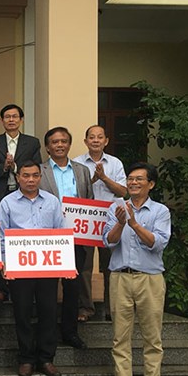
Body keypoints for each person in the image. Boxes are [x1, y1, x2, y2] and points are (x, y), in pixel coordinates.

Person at [103, 162, 170, 376]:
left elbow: (158, 243)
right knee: (120, 335)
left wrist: (134, 224)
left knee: (152, 336)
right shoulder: (116, 208)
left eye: (139, 179)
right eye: (130, 179)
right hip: (120, 276)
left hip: (149, 279)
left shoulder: (160, 211)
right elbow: (108, 242)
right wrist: (121, 223)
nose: (132, 183)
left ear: (150, 184)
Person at [0, 161, 65, 376]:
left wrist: (62, 263)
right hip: (19, 269)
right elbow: (0, 235)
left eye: (35, 175)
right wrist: (5, 264)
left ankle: (46, 358)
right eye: (26, 176)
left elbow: (61, 233)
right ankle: (26, 358)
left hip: (47, 268)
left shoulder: (52, 202)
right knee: (22, 313)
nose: (31, 180)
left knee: (48, 312)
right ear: (18, 178)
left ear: (40, 177)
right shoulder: (7, 203)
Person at [39, 126, 92, 350]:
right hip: (49, 238)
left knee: (72, 287)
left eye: (63, 141)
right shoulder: (37, 171)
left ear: (69, 144)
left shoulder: (82, 171)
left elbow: (89, 200)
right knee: (48, 288)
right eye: (54, 142)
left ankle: (70, 332)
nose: (59, 145)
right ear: (47, 147)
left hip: (75, 237)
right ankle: (47, 333)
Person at [0, 104, 41, 303]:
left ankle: (24, 277)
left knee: (24, 234)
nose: (11, 120)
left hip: (24, 195)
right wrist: (4, 167)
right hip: (0, 193)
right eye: (7, 116)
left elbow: (36, 167)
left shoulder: (32, 142)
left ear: (21, 120)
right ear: (2, 121)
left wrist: (15, 167)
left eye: (15, 116)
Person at [74, 125, 127, 321]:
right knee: (85, 266)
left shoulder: (115, 163)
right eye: (91, 137)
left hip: (111, 220)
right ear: (85, 141)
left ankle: (110, 308)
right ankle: (86, 308)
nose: (95, 140)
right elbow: (75, 192)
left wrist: (103, 178)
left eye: (100, 137)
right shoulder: (77, 163)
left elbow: (123, 192)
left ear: (106, 141)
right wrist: (91, 179)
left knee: (111, 266)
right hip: (87, 220)